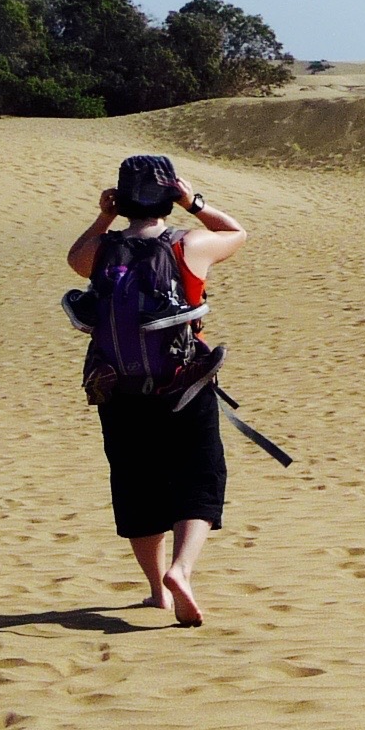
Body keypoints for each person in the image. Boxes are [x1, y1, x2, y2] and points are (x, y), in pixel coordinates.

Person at [65, 156, 247, 625]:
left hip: (119, 390)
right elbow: (237, 233)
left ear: (121, 198)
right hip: (184, 385)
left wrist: (105, 215)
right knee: (200, 478)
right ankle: (181, 571)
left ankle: (155, 590)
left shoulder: (100, 252)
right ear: (170, 196)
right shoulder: (189, 245)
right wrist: (194, 202)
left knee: (136, 485)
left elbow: (74, 260)